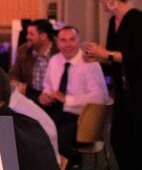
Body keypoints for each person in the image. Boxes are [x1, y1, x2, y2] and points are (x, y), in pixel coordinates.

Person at [84, 0, 142, 170]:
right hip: (123, 97)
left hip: (138, 94)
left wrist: (105, 53)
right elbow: (114, 60)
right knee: (119, 141)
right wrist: (97, 57)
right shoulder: (112, 23)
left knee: (136, 145)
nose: (99, 0)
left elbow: (137, 57)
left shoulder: (136, 19)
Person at [39, 26, 110, 158]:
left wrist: (67, 99)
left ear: (79, 41)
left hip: (81, 117)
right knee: (36, 135)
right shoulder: (54, 60)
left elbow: (100, 97)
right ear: (57, 43)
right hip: (56, 110)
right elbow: (47, 86)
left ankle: (71, 165)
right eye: (63, 40)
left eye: (72, 40)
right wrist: (45, 96)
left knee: (58, 140)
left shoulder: (90, 63)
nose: (68, 45)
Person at [8, 19, 57, 105]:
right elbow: (14, 75)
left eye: (31, 34)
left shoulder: (59, 51)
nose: (27, 37)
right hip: (32, 97)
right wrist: (17, 84)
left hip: (55, 98)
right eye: (28, 34)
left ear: (43, 36)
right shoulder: (24, 50)